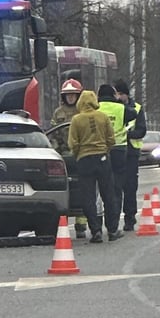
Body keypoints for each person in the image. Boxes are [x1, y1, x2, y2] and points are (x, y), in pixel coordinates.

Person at [67, 90, 121, 243]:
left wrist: (79, 155)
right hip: (102, 158)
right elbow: (111, 139)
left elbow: (73, 143)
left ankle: (95, 231)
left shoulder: (76, 120)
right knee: (108, 195)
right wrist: (105, 151)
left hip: (84, 160)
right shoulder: (103, 117)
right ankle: (112, 230)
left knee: (88, 197)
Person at [52, 78, 91, 238]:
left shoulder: (83, 112)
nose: (70, 98)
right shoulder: (58, 113)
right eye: (67, 95)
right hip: (63, 155)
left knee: (82, 189)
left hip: (80, 154)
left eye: (73, 95)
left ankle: (81, 224)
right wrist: (55, 151)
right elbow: (54, 133)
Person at [96, 83, 135, 237]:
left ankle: (99, 224)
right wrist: (119, 102)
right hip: (119, 150)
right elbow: (132, 114)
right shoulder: (120, 108)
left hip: (100, 150)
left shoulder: (96, 108)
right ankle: (114, 223)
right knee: (116, 188)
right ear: (113, 95)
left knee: (101, 187)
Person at [114, 79, 146, 231]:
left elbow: (142, 130)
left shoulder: (137, 108)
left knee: (130, 187)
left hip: (131, 152)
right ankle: (113, 220)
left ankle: (129, 219)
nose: (118, 97)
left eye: (120, 94)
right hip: (116, 151)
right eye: (116, 94)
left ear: (126, 94)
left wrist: (128, 135)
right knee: (114, 188)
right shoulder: (113, 108)